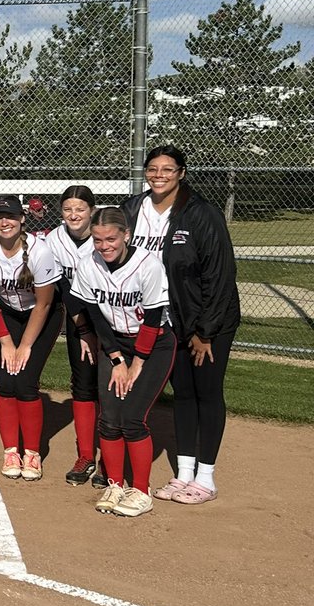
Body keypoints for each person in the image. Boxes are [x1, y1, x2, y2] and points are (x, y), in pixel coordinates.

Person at [122, 145, 240, 505]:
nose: (159, 175)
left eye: (168, 169)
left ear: (181, 173)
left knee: (207, 393)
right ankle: (184, 473)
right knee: (183, 394)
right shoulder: (133, 209)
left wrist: (205, 332)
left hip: (206, 320)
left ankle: (206, 478)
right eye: (153, 169)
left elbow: (220, 275)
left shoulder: (200, 213)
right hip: (166, 319)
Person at [72, 207, 177, 518]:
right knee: (109, 418)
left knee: (132, 418)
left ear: (126, 235)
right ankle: (115, 485)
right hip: (115, 342)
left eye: (111, 239)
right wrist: (117, 358)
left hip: (153, 344)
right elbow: (95, 315)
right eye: (98, 239)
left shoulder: (148, 264)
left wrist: (138, 362)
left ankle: (141, 491)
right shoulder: (88, 264)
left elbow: (154, 317)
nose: (104, 246)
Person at [0, 195, 62, 482]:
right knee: (6, 381)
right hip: (5, 313)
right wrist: (7, 342)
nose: (4, 222)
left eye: (10, 216)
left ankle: (31, 452)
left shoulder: (40, 251)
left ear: (22, 219)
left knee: (26, 381)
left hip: (41, 315)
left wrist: (25, 346)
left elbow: (44, 304)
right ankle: (11, 450)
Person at [45, 185, 104, 486]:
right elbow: (64, 289)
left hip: (110, 318)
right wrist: (82, 329)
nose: (74, 214)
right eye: (68, 209)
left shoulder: (103, 236)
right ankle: (86, 455)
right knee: (82, 384)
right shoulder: (55, 239)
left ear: (92, 211)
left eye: (80, 209)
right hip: (78, 318)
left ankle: (110, 458)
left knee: (109, 387)